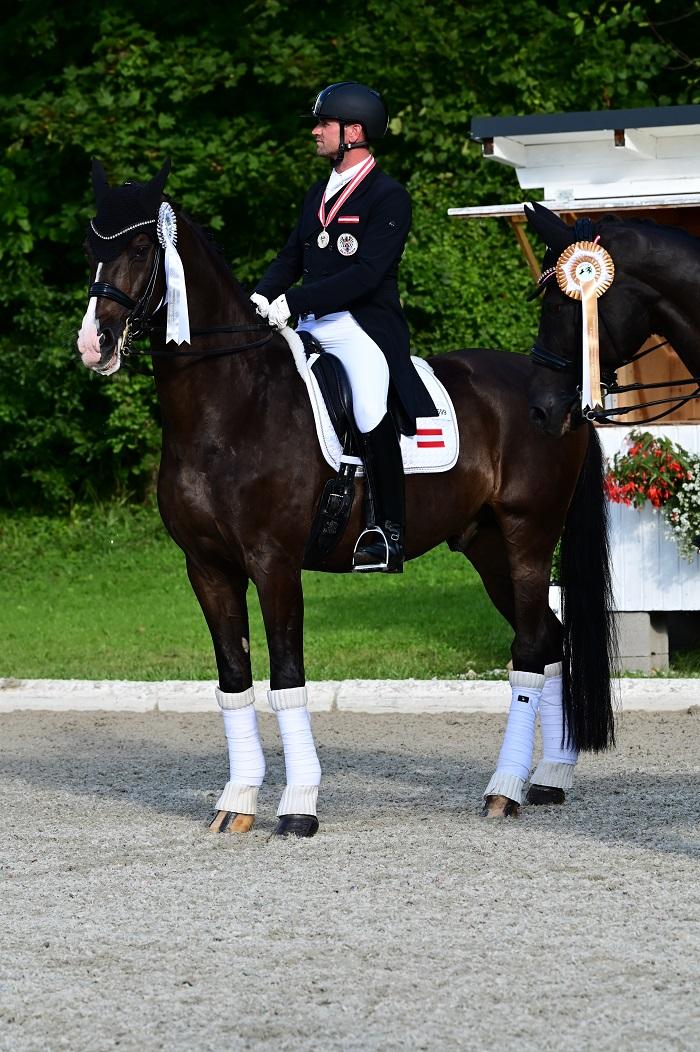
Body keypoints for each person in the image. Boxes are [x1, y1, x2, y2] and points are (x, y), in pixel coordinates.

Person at [251, 81, 436, 573]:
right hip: (310, 320)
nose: (315, 132)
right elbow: (292, 255)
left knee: (371, 404)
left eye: (323, 125)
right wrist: (259, 296)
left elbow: (366, 274)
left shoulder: (389, 196)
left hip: (363, 325)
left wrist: (293, 299)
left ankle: (387, 531)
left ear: (353, 132)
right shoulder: (318, 191)